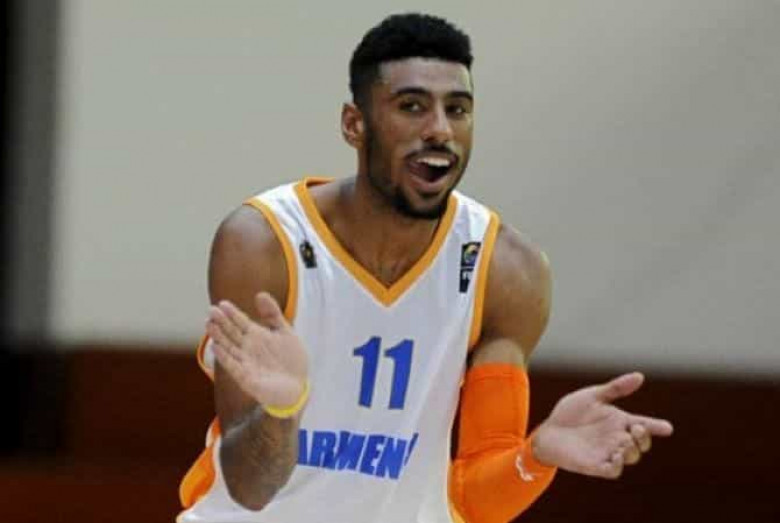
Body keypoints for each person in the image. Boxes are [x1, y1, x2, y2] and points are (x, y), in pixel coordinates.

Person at [177, 13, 673, 523]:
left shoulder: (507, 271)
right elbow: (248, 488)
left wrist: (537, 455)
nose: (439, 129)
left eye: (457, 109)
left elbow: (475, 500)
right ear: (354, 124)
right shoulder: (263, 243)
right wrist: (282, 410)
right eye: (412, 106)